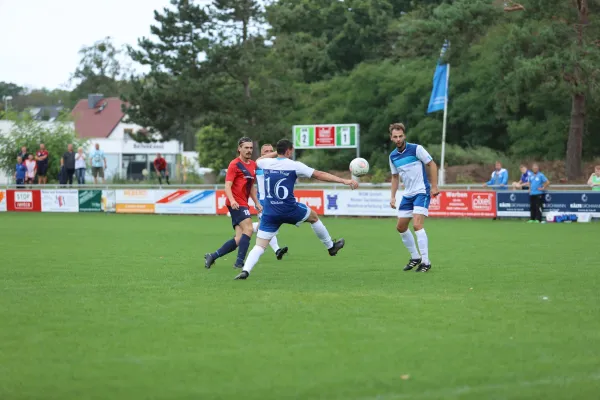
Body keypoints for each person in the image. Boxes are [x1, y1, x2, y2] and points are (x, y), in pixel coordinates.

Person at [234, 139, 358, 280]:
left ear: (277, 151)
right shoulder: (294, 165)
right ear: (288, 151)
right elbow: (319, 174)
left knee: (260, 246)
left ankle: (246, 271)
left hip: (270, 211)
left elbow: (260, 159)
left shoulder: (265, 163)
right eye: (290, 150)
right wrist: (344, 181)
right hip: (289, 208)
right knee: (314, 217)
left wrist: (278, 151)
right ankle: (331, 247)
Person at [388, 123, 439, 273]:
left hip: (422, 191)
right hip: (408, 194)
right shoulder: (392, 156)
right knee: (401, 227)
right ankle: (415, 257)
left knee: (417, 225)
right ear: (391, 138)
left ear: (404, 135)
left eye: (400, 136)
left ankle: (426, 262)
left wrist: (434, 186)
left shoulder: (416, 149)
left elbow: (432, 164)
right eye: (395, 137)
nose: (398, 139)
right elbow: (395, 177)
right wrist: (392, 196)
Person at [205, 137, 262, 270]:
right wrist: (232, 200)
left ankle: (212, 256)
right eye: (246, 148)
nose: (249, 150)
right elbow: (227, 186)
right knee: (248, 229)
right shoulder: (234, 164)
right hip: (236, 203)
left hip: (243, 203)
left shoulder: (253, 165)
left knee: (239, 238)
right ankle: (239, 262)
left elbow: (251, 187)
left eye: (251, 148)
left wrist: (256, 202)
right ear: (239, 149)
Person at [252, 143, 289, 261]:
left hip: (273, 201)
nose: (268, 153)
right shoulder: (259, 165)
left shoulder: (276, 165)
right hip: (262, 200)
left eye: (270, 151)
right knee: (268, 225)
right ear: (262, 154)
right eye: (266, 151)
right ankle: (277, 250)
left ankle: (245, 228)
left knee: (264, 225)